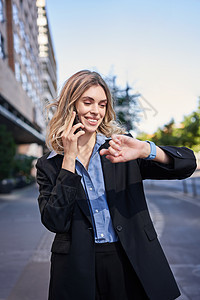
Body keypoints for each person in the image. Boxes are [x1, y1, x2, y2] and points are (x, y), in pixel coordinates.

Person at [36, 70, 196, 300]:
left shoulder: (121, 148)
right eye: (87, 102)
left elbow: (186, 164)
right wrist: (69, 159)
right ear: (70, 106)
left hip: (129, 260)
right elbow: (55, 221)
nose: (96, 111)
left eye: (102, 104)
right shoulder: (49, 165)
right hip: (77, 268)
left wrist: (146, 150)